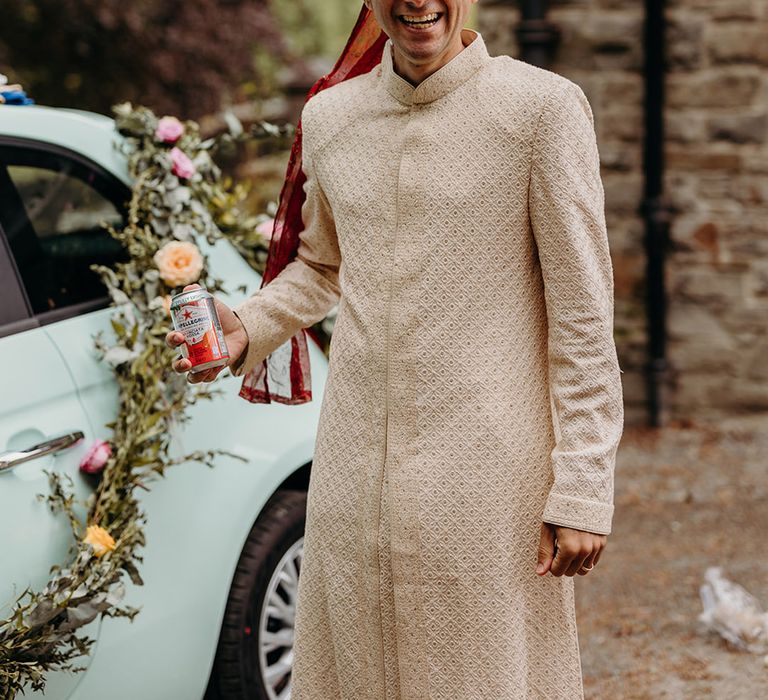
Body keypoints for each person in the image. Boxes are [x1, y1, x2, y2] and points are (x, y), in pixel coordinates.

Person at [166, 1, 624, 697]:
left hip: (487, 484)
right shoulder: (331, 118)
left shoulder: (542, 111)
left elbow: (583, 313)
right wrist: (249, 326)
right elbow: (321, 266)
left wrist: (583, 487)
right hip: (353, 476)